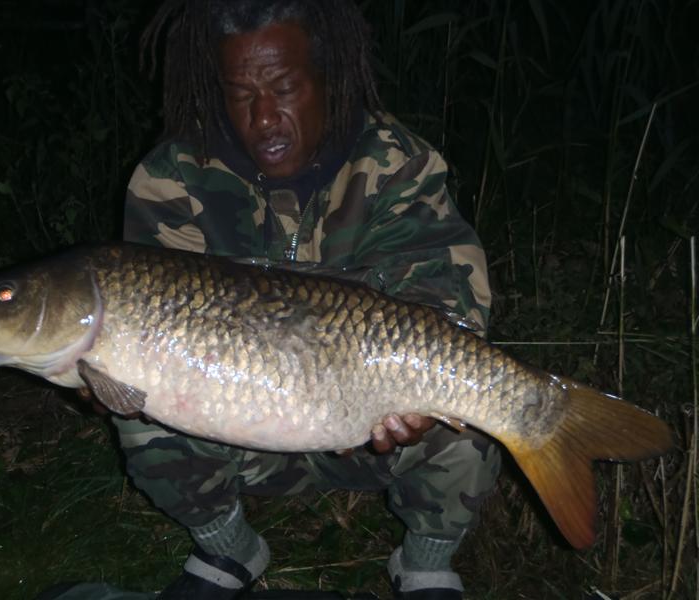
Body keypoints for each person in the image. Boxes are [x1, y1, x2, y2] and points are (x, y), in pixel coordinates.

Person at [50, 1, 501, 599]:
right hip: (234, 429)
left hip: (370, 415)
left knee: (473, 407)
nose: (263, 117)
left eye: (284, 88)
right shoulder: (173, 177)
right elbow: (142, 312)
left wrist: (412, 395)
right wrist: (100, 374)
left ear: (327, 78)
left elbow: (447, 297)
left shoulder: (397, 163)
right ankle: (228, 548)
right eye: (240, 94)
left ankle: (426, 563)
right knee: (142, 411)